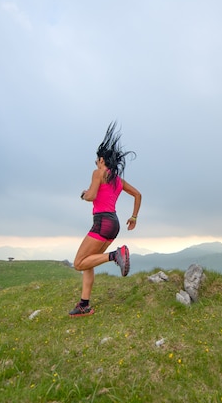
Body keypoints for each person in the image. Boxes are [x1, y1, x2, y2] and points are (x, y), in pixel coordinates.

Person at [69, 122, 142, 317]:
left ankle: (116, 255)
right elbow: (137, 195)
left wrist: (84, 195)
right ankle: (84, 305)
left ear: (102, 159)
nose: (96, 163)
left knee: (78, 263)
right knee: (88, 262)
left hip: (101, 222)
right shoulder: (118, 180)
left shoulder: (98, 173)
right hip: (114, 223)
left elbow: (92, 196)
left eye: (97, 160)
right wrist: (133, 217)